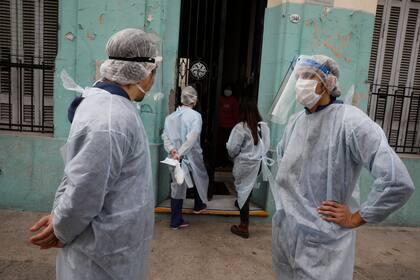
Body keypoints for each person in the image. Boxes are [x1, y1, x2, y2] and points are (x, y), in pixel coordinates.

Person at [29, 28, 160, 279]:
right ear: (146, 72)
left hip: (113, 248)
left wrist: (60, 217)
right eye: (154, 72)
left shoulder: (108, 105)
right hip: (101, 259)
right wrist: (61, 226)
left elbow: (81, 174)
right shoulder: (111, 119)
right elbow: (85, 189)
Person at [270, 54, 415, 279]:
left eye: (308, 76)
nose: (301, 82)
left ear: (328, 82)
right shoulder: (295, 122)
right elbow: (286, 171)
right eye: (298, 77)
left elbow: (397, 181)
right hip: (286, 236)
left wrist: (356, 217)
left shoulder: (351, 122)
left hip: (323, 243)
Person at [162, 86, 209, 229]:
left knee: (178, 185)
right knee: (199, 178)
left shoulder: (170, 117)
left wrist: (174, 151)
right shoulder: (196, 116)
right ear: (194, 100)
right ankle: (194, 208)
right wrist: (181, 154)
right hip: (190, 156)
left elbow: (165, 136)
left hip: (174, 157)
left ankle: (179, 218)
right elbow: (192, 138)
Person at [226, 98, 270, 238]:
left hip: (244, 164)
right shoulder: (263, 126)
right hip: (258, 165)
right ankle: (241, 204)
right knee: (247, 189)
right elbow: (266, 146)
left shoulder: (241, 127)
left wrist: (234, 156)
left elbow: (232, 148)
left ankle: (243, 226)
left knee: (242, 191)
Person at [216, 85, 240, 168]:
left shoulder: (234, 101)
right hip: (220, 126)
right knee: (220, 145)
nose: (227, 91)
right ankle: (219, 161)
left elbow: (236, 115)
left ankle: (226, 162)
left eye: (229, 89)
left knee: (228, 146)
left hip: (230, 128)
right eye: (226, 89)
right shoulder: (220, 99)